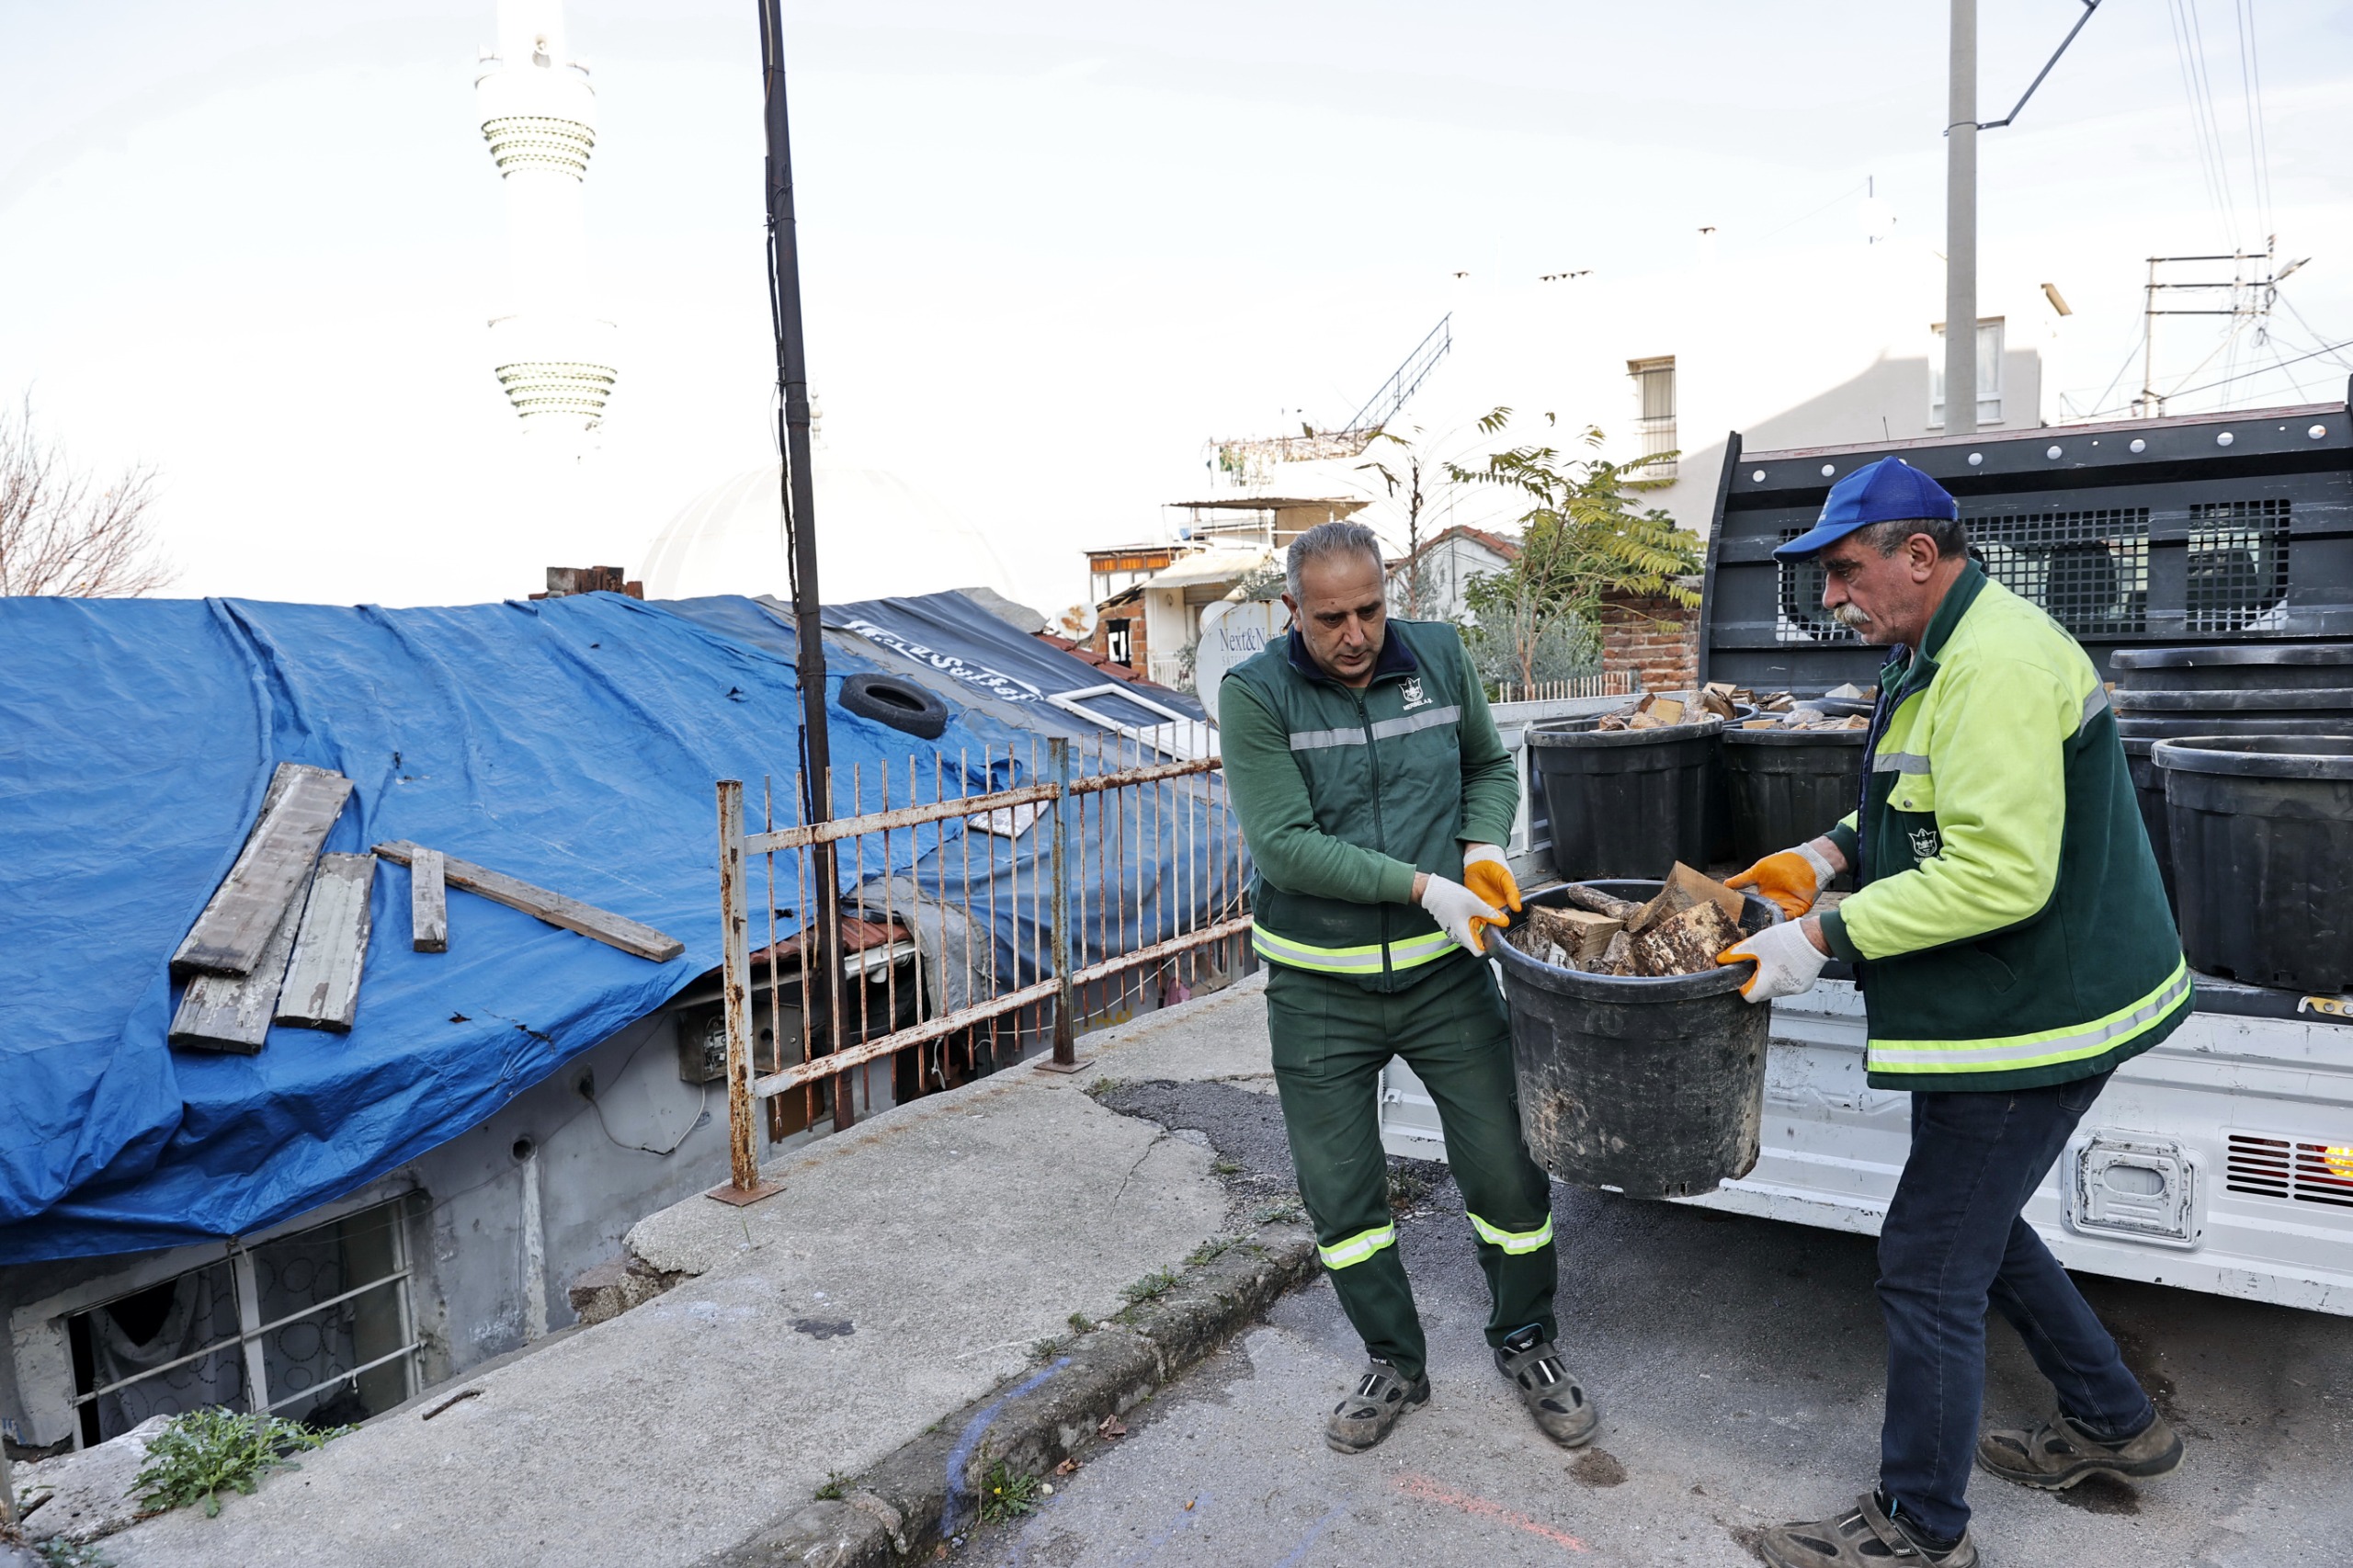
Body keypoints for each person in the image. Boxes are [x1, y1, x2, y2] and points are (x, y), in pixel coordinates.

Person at [1715, 457, 2191, 1568]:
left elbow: (1999, 877)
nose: (1831, 596)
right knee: (1974, 1224)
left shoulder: (1998, 664)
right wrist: (1824, 851)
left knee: (1927, 1259)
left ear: (1916, 555)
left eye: (1842, 571)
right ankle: (2117, 1422)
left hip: (2042, 1010)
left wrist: (1817, 935)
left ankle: (1918, 1528)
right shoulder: (1937, 648)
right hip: (2016, 1002)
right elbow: (1919, 792)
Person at [1218, 519, 1595, 1456]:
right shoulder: (1253, 692)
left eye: (1372, 609)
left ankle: (1525, 1337)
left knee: (1506, 1169)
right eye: (1331, 616)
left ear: (1394, 595)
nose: (1356, 634)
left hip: (1444, 979)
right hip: (1317, 991)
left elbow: (1486, 764)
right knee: (1341, 1197)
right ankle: (1394, 1358)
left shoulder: (1437, 656)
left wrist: (1477, 842)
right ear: (1290, 610)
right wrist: (1425, 885)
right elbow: (1285, 846)